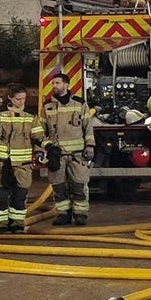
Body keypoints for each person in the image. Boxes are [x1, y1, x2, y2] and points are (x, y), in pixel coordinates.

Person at [0, 84, 44, 234]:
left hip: (23, 164)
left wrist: (44, 149)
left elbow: (38, 136)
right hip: (0, 162)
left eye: (24, 99)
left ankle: (17, 224)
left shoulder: (30, 115)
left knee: (20, 196)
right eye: (18, 99)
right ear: (9, 98)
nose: (21, 102)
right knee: (1, 195)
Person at [42, 71, 96, 226]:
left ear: (66, 84)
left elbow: (88, 127)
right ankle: (63, 215)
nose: (54, 86)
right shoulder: (47, 106)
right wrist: (44, 149)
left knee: (79, 185)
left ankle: (80, 215)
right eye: (53, 83)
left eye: (57, 83)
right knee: (58, 187)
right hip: (56, 154)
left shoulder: (80, 104)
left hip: (77, 155)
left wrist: (90, 146)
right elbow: (41, 130)